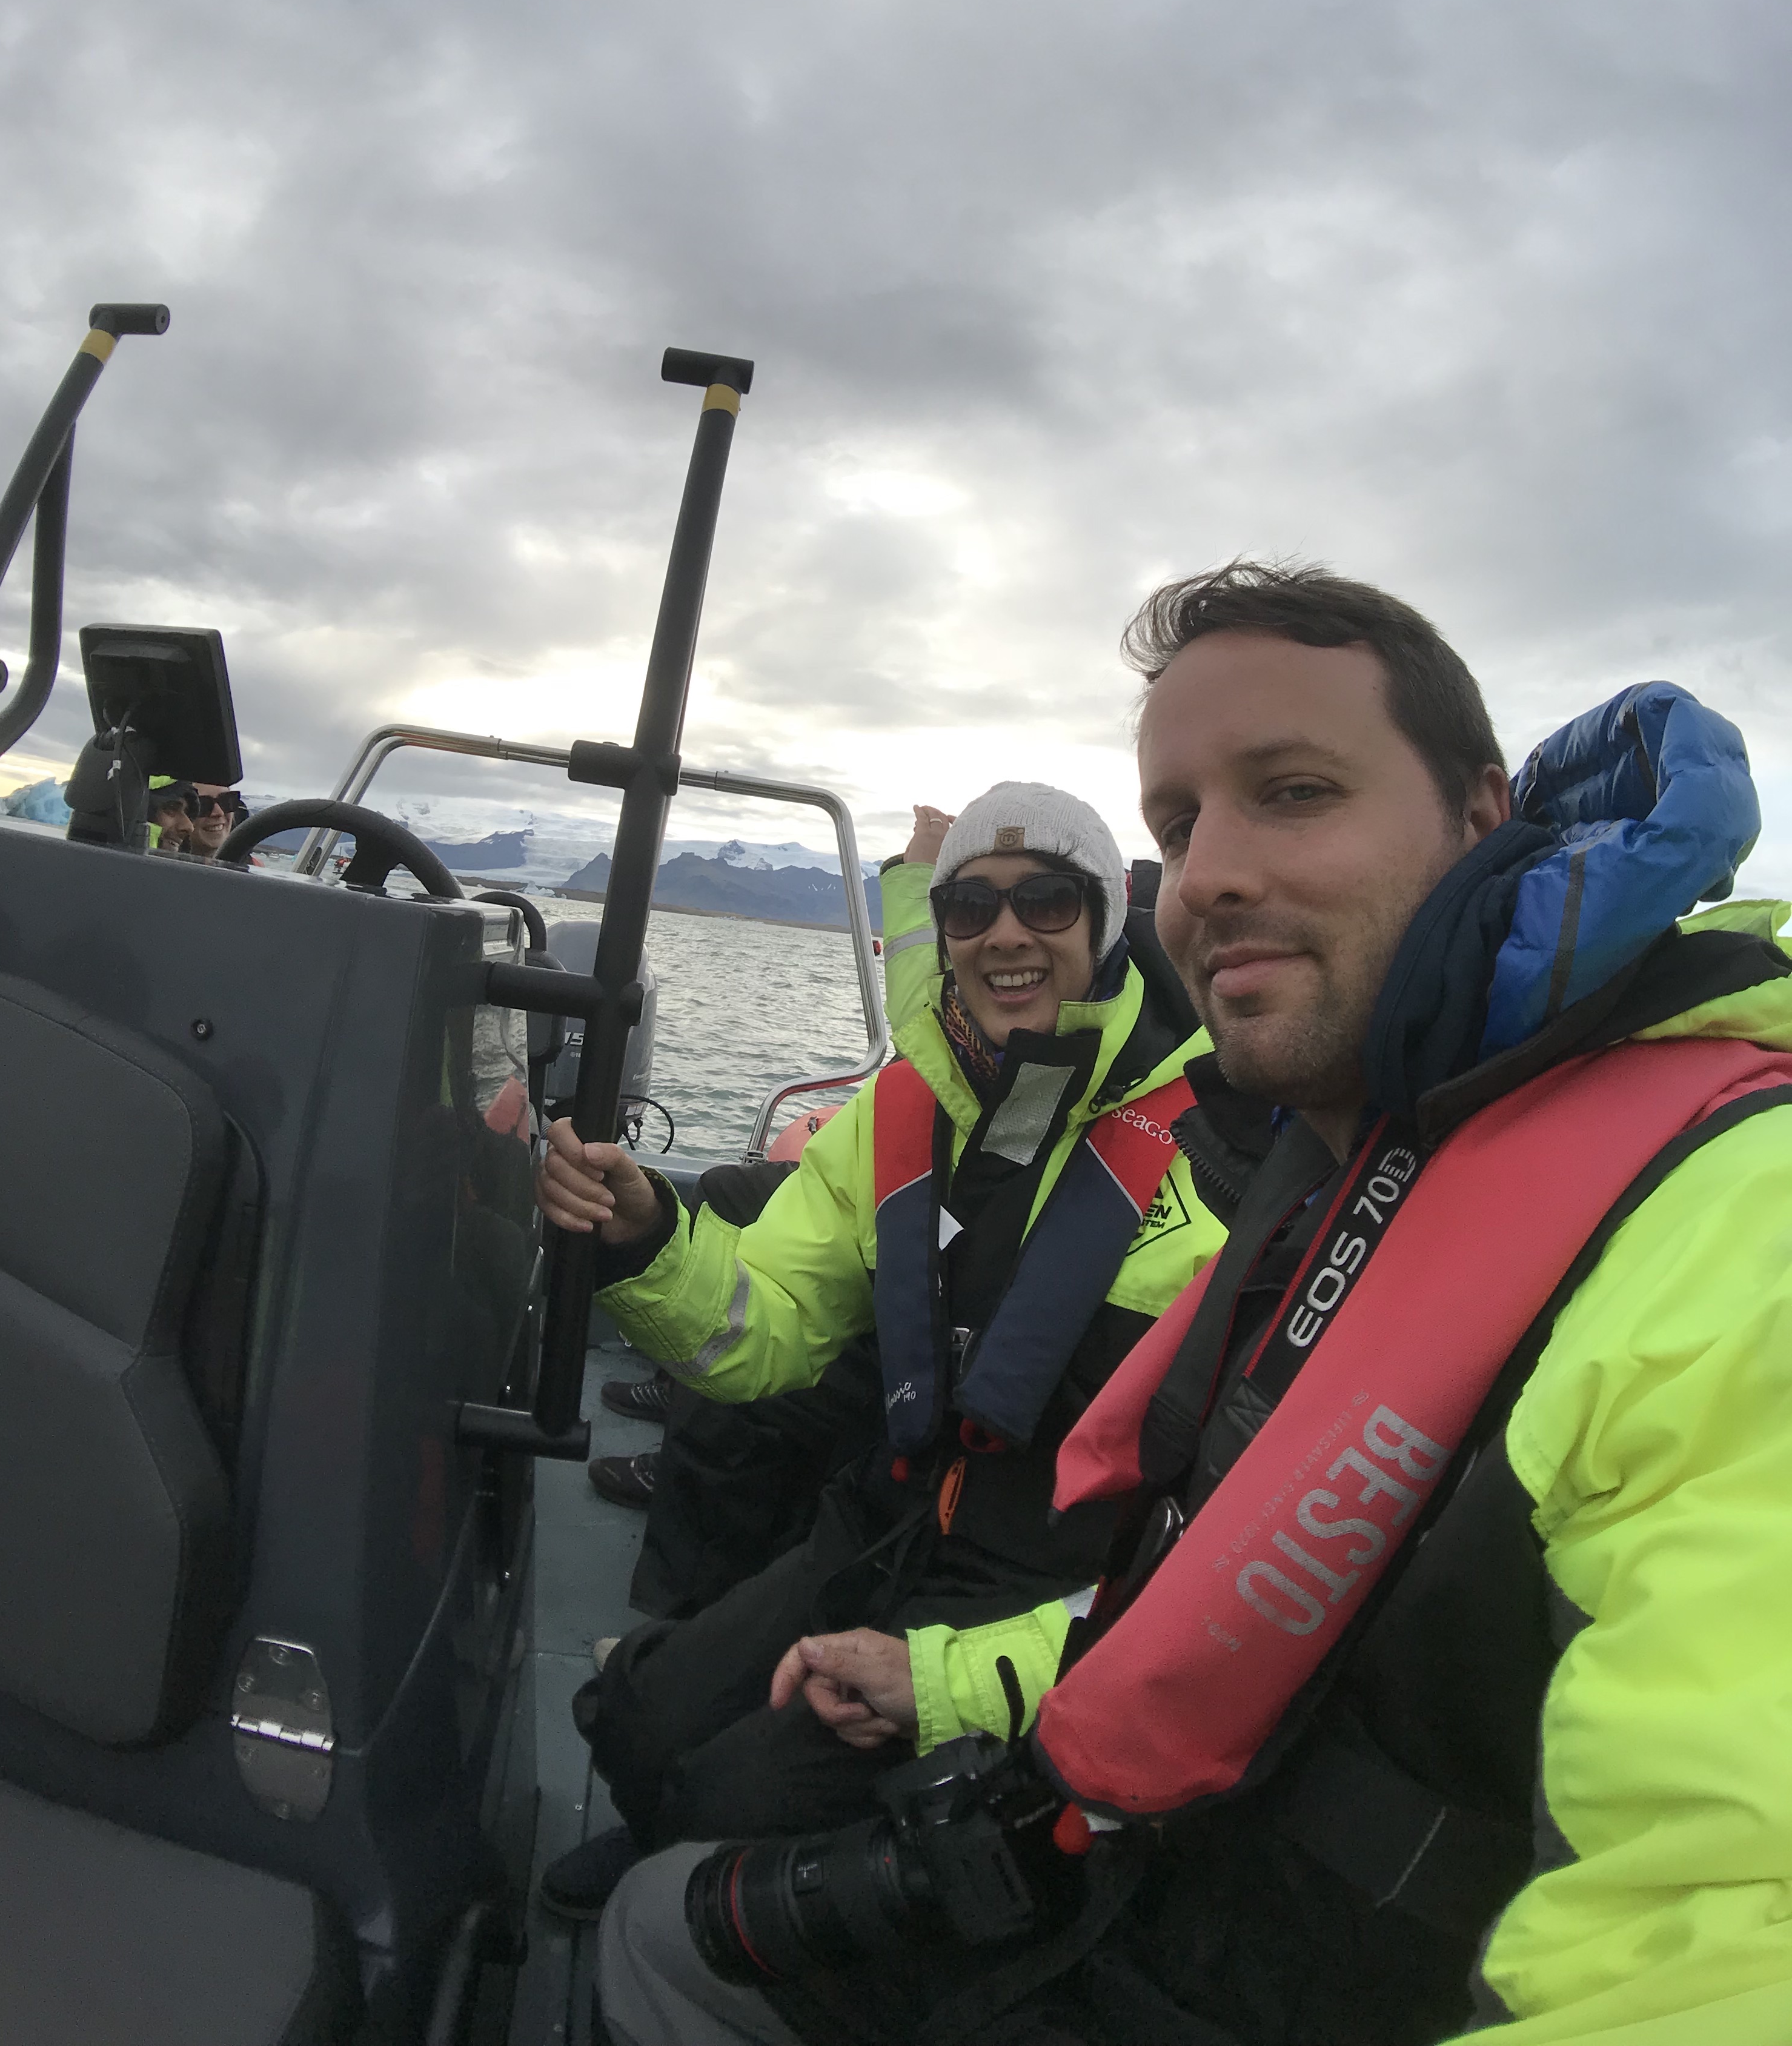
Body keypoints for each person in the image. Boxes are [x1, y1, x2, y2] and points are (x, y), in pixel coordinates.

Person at [596, 562, 1792, 2046]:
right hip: (1107, 1772)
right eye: (1183, 822)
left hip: (1223, 1875)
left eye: (1293, 791)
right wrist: (641, 1237)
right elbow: (778, 1334)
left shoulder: (1738, 1226)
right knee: (649, 1760)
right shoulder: (1366, 1148)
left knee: (686, 1893)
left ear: (1488, 819)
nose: (1213, 870)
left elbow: (1728, 1934)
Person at [536, 783, 1243, 1919]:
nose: (1004, 932)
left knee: (731, 1799)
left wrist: (948, 1682)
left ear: (1105, 919)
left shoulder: (1218, 1154)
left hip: (1037, 1592)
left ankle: (688, 1860)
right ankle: (658, 1833)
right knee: (633, 1714)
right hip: (885, 1523)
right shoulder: (902, 1109)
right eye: (967, 906)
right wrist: (650, 1239)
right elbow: (757, 1330)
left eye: (1046, 899)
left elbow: (1223, 1555)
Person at [583, 804, 958, 1558]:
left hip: (923, 1218)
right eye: (977, 906)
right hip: (892, 1173)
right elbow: (919, 973)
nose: (1004, 933)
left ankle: (686, 1530)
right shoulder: (952, 1012)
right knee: (726, 1187)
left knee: (762, 1260)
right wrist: (918, 867)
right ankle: (681, 1391)